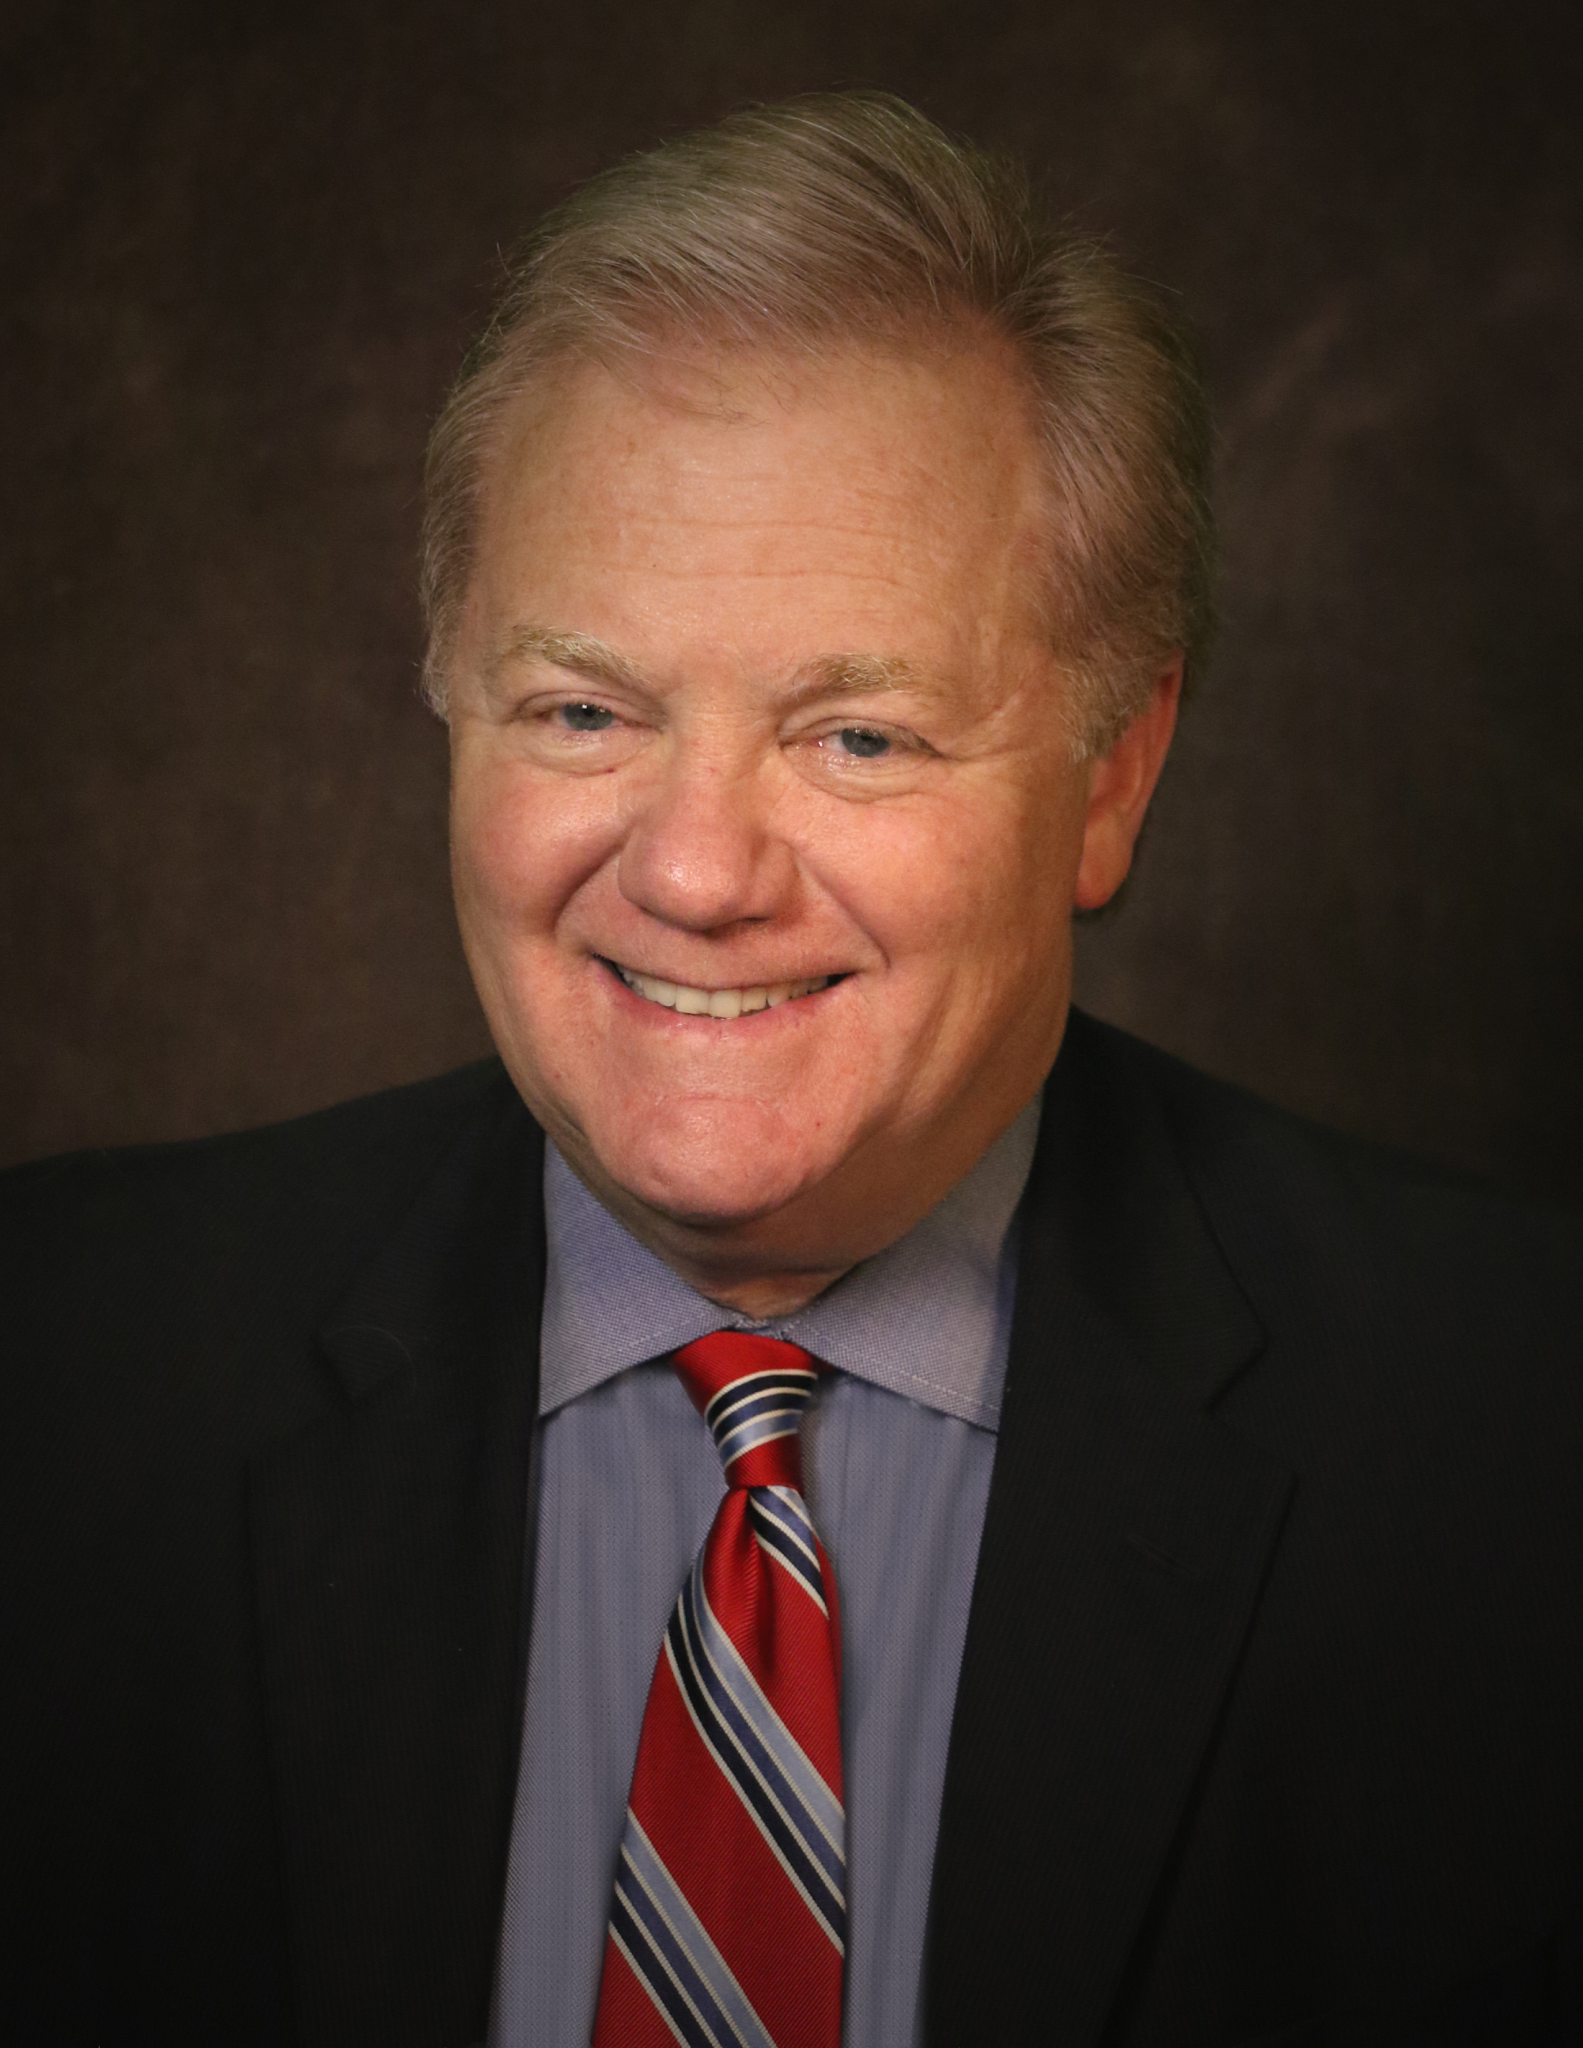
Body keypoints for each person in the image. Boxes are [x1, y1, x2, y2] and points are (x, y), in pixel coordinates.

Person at [3, 91, 1581, 2048]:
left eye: (859, 737)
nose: (690, 871)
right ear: (445, 697)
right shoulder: (49, 1375)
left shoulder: (1519, 1454)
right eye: (583, 708)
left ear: (1113, 771)